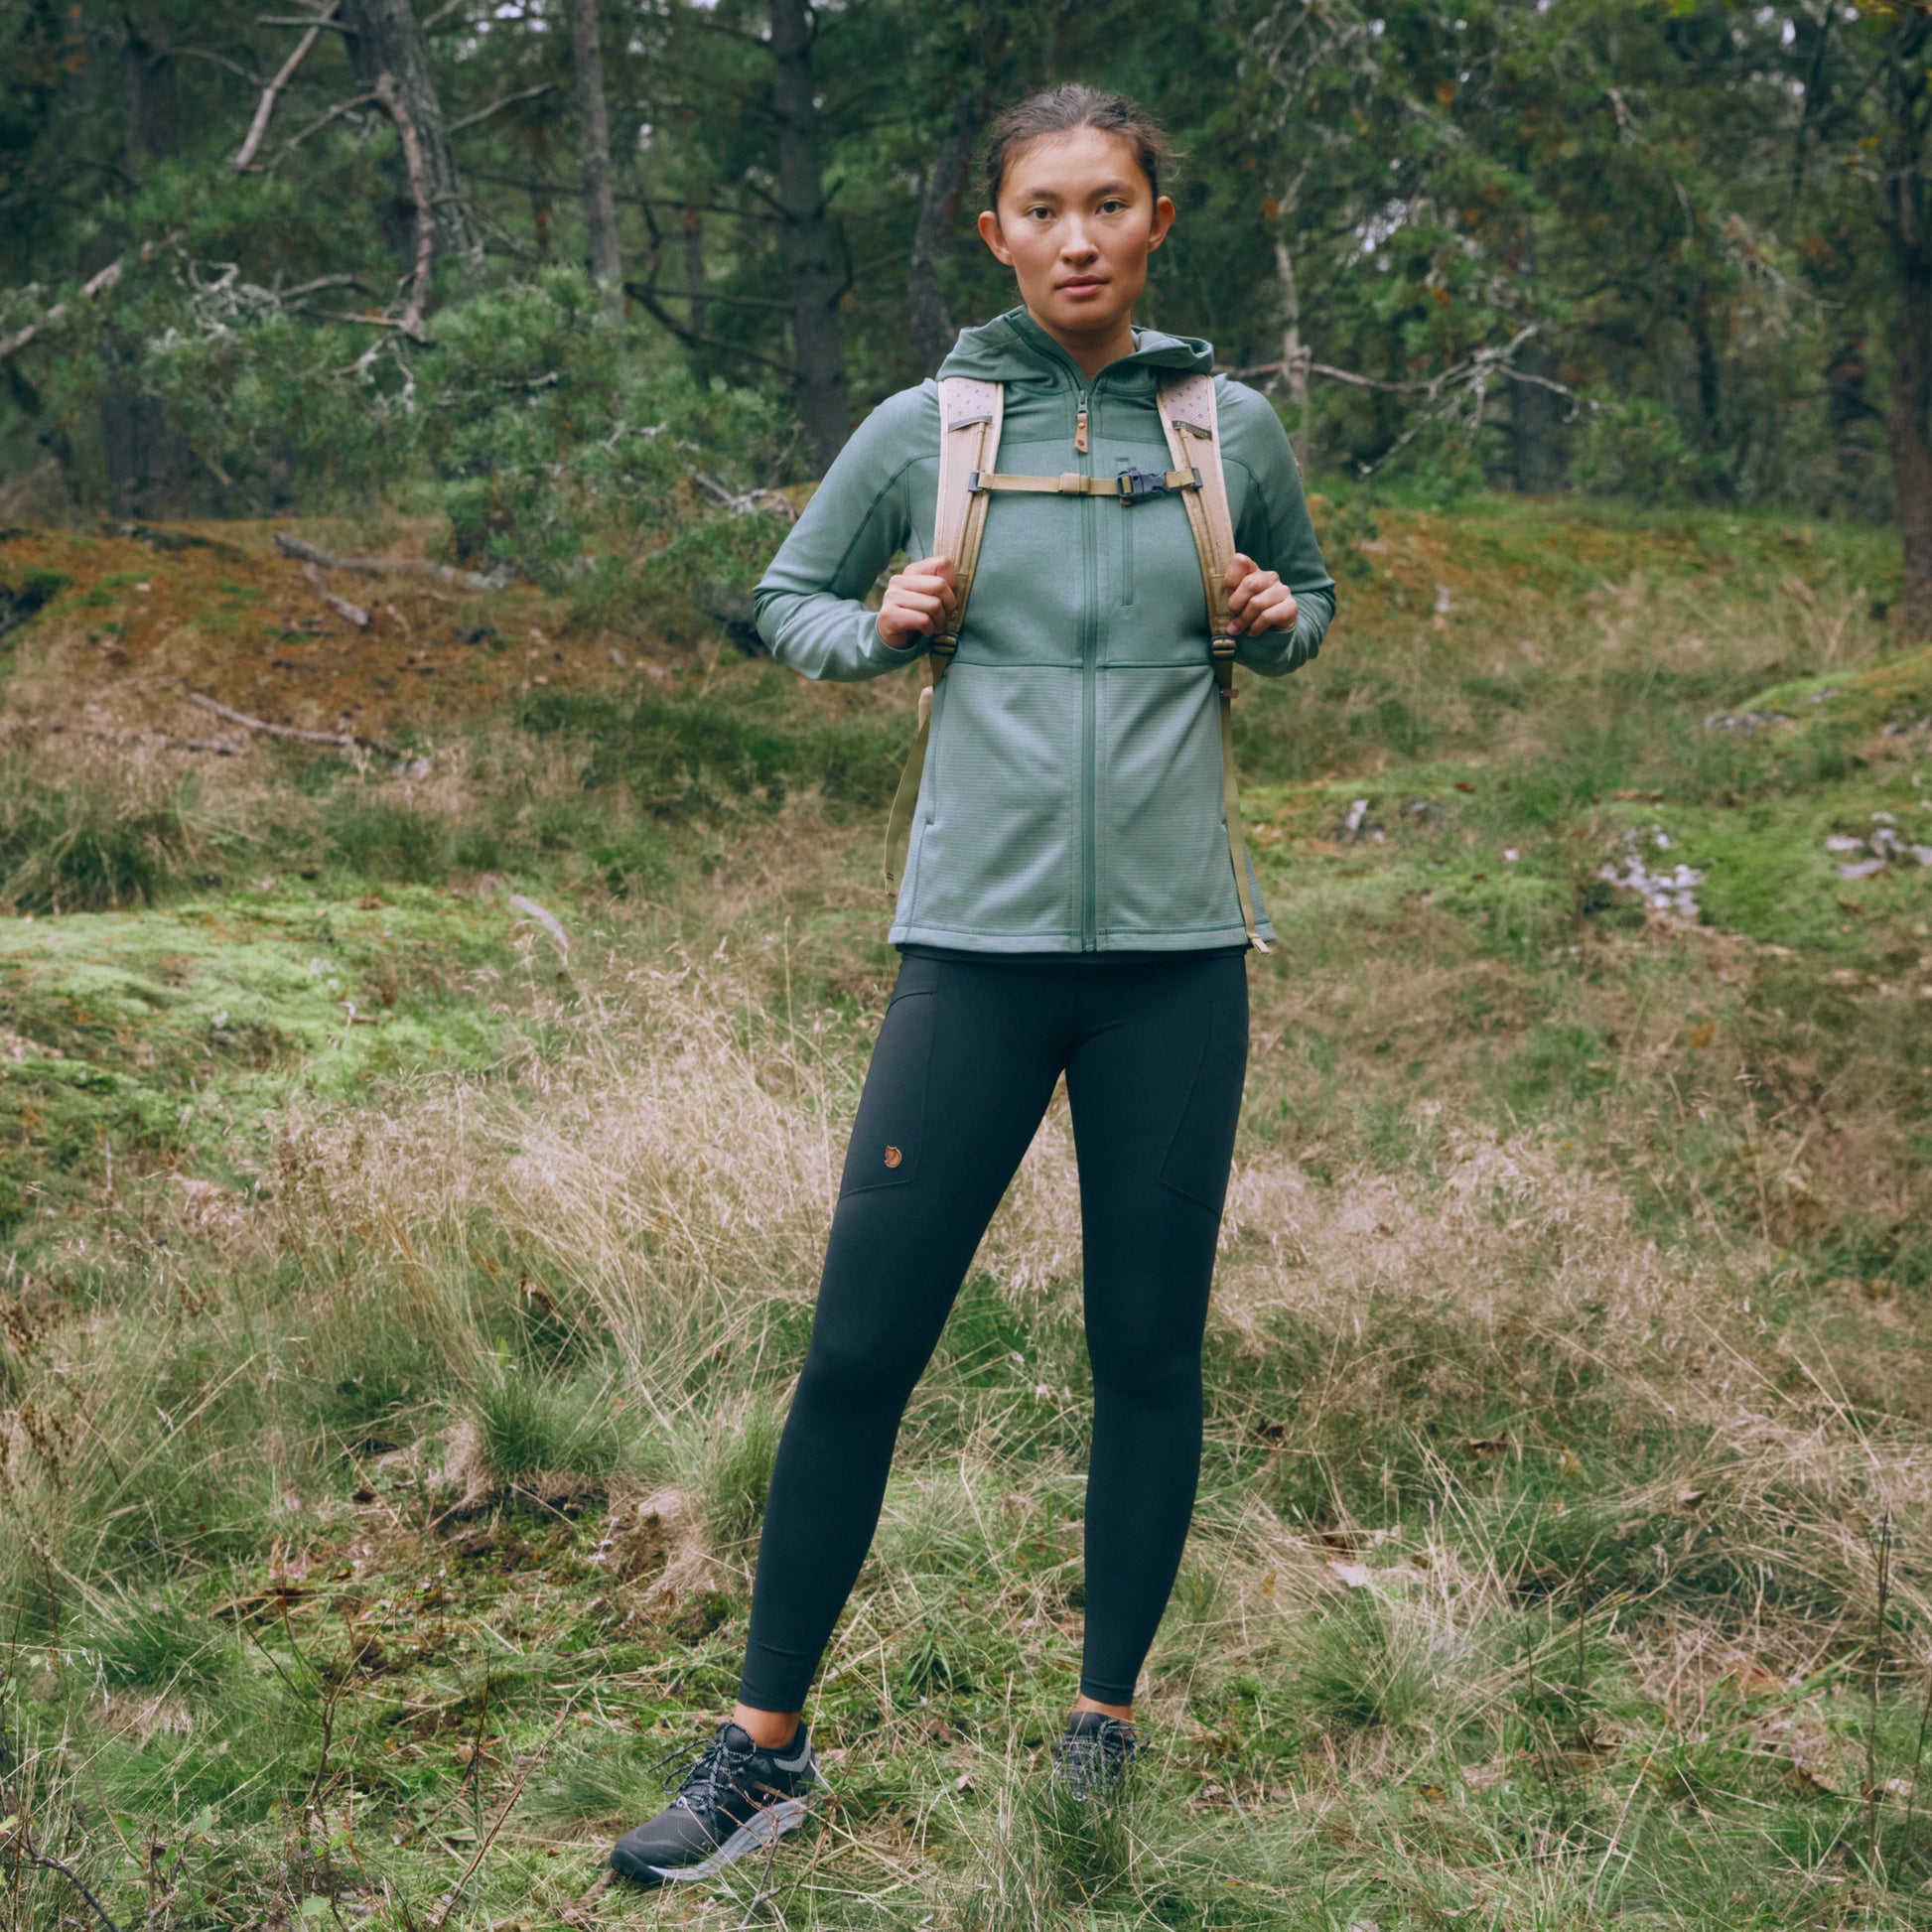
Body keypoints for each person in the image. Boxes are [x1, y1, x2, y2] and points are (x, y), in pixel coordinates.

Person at [612, 82, 1335, 1888]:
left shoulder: (1223, 424)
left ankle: (1102, 1721)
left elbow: (1307, 599)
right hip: (973, 959)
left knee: (1144, 1350)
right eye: (1042, 209)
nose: (1077, 238)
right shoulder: (927, 428)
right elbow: (784, 598)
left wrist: (1275, 618)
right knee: (858, 1350)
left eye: (1109, 203)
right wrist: (878, 627)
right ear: (994, 231)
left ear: (1156, 218)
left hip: (1176, 966)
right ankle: (762, 1749)